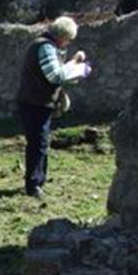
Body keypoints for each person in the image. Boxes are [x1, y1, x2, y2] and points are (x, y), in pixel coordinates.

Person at [15, 16, 92, 198]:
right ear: (62, 36)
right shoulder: (45, 47)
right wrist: (77, 68)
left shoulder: (47, 46)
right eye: (68, 39)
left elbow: (54, 71)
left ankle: (39, 179)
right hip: (34, 103)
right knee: (37, 143)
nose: (68, 43)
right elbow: (55, 76)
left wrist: (73, 62)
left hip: (37, 102)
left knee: (41, 142)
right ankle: (33, 185)